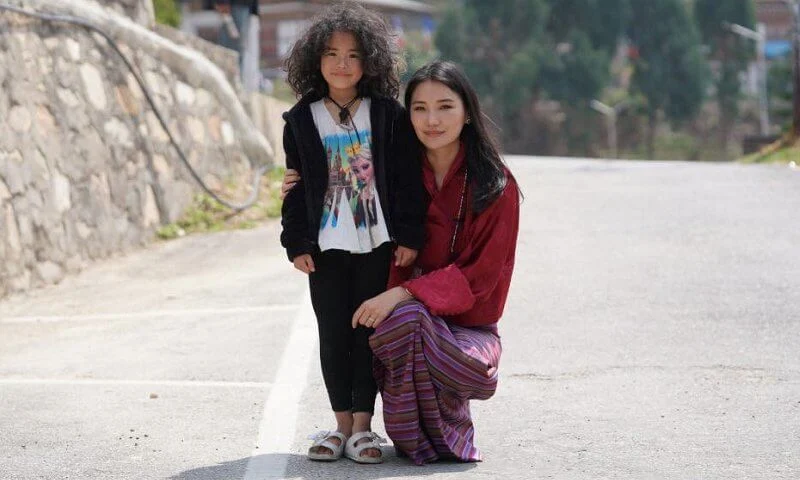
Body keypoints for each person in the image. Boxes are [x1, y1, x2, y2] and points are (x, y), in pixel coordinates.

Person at [351, 60, 520, 465]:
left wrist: (405, 292)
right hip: (403, 324)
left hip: (469, 330)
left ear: (467, 113)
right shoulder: (393, 174)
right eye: (419, 108)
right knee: (407, 322)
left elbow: (481, 277)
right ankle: (413, 431)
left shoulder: (497, 184)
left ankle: (448, 418)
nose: (432, 120)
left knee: (412, 321)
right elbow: (342, 190)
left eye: (445, 106)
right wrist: (298, 182)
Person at [279, 3, 425, 464]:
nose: (342, 64)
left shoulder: (387, 115)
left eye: (353, 55)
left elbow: (405, 180)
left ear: (370, 62)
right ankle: (340, 424)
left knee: (367, 334)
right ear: (314, 60)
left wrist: (408, 236)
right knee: (331, 332)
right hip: (324, 246)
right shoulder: (300, 120)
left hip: (377, 241)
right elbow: (295, 186)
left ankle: (364, 428)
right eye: (331, 53)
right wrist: (296, 242)